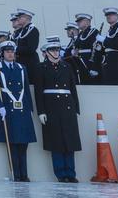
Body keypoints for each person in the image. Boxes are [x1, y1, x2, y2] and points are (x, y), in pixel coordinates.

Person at [0, 41, 35, 182]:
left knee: (23, 144)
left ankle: (24, 174)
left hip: (22, 108)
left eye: (12, 51)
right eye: (7, 51)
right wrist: (0, 106)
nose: (10, 54)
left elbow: (26, 90)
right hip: (7, 109)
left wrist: (30, 109)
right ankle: (16, 174)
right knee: (13, 144)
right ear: (2, 54)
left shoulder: (21, 68)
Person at [35, 38, 81, 182]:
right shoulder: (41, 68)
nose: (56, 52)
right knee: (56, 142)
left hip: (67, 107)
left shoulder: (67, 66)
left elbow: (72, 88)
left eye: (57, 49)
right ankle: (61, 174)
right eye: (53, 50)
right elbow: (38, 91)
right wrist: (41, 111)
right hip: (51, 107)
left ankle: (71, 173)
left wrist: (76, 107)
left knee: (69, 142)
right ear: (46, 53)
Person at [96, 7, 118, 85]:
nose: (108, 16)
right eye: (107, 15)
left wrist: (104, 40)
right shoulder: (111, 30)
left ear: (117, 16)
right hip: (110, 60)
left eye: (111, 14)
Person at [11, 9, 39, 82]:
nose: (18, 19)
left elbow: (31, 48)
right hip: (20, 63)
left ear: (26, 18)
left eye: (20, 17)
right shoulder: (22, 31)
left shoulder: (32, 30)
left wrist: (16, 49)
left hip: (29, 64)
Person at [73, 13, 98, 83]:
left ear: (87, 22)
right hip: (80, 59)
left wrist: (94, 66)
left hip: (89, 60)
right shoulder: (81, 33)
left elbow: (95, 49)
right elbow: (77, 45)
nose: (78, 23)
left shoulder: (93, 31)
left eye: (80, 21)